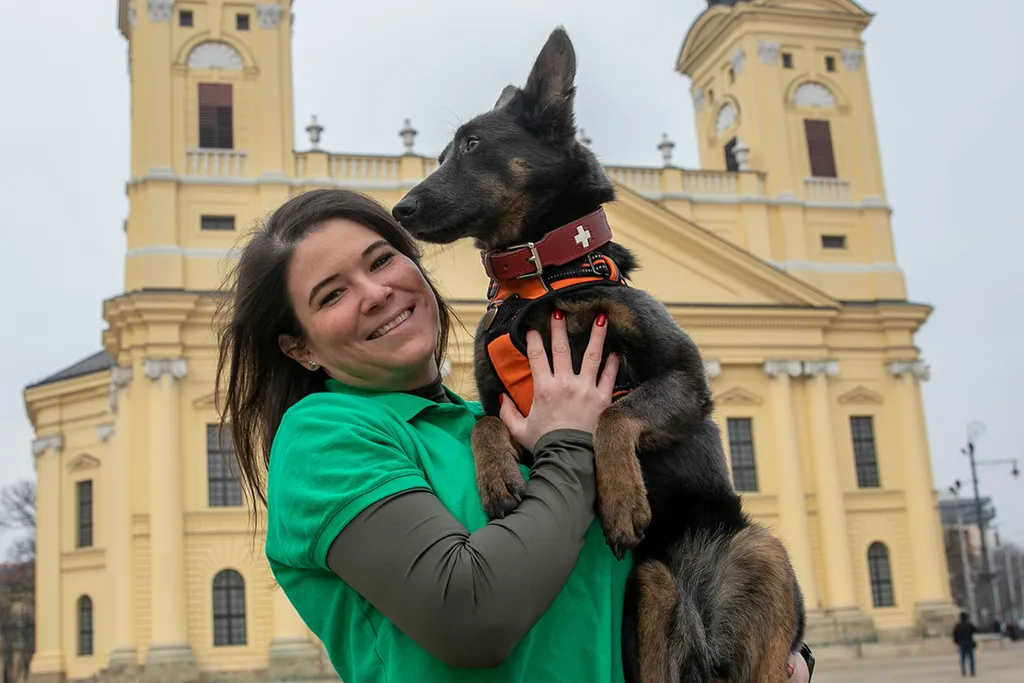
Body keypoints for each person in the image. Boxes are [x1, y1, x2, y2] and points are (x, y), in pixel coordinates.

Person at [215, 187, 812, 682]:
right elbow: (469, 617)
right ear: (299, 348)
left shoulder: (502, 422)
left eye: (380, 261)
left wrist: (781, 654)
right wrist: (571, 444)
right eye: (332, 295)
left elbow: (653, 573)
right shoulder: (323, 439)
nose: (375, 294)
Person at [952, 611, 978, 677]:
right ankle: (972, 671)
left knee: (962, 658)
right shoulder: (969, 625)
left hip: (962, 643)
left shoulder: (958, 626)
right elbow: (975, 630)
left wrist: (957, 642)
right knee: (971, 658)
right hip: (969, 642)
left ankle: (963, 670)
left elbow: (955, 635)